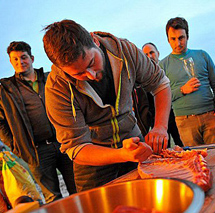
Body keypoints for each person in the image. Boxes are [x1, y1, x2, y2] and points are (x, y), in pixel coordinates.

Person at [42, 19, 171, 192]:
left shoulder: (125, 51)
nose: (91, 75)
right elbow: (76, 147)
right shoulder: (57, 88)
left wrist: (160, 127)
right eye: (79, 73)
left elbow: (160, 83)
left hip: (134, 144)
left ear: (94, 40)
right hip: (93, 161)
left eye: (91, 63)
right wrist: (121, 154)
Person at [0, 41, 76, 203]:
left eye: (23, 57)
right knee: (53, 198)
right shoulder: (6, 90)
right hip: (36, 151)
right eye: (15, 59)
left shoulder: (50, 78)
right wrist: (16, 146)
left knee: (78, 189)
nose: (20, 62)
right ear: (11, 62)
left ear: (32, 58)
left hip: (65, 143)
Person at [159, 17, 215, 146]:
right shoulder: (163, 65)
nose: (178, 43)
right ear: (168, 39)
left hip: (211, 116)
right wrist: (182, 90)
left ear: (187, 36)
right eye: (173, 39)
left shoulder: (202, 55)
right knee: (195, 160)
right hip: (185, 121)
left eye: (181, 38)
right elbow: (162, 97)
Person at [142, 42, 183, 147]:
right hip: (155, 119)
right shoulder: (142, 77)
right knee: (163, 147)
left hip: (175, 115)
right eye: (146, 55)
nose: (150, 56)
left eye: (151, 53)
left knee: (181, 143)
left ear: (158, 53)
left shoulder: (167, 70)